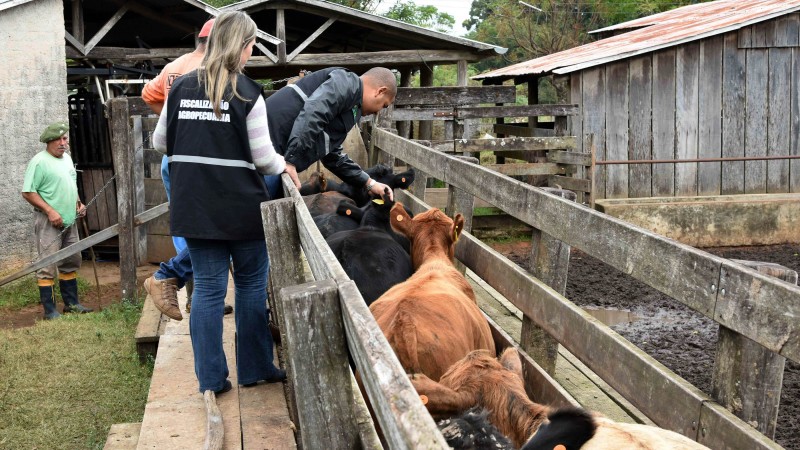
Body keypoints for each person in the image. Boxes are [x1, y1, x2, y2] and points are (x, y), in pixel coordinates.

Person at [144, 65, 399, 320]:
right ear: (380, 91)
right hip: (264, 155)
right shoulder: (345, 81)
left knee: (243, 226)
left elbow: (331, 152)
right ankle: (169, 274)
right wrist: (291, 160)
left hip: (271, 157)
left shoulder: (348, 106)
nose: (379, 111)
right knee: (241, 223)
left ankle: (176, 276)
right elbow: (313, 112)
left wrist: (368, 183)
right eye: (384, 104)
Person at [152, 10, 287, 393]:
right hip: (242, 210)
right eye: (252, 47)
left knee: (209, 291)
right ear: (244, 46)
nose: (250, 54)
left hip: (195, 207)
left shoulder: (179, 87)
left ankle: (211, 379)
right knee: (249, 286)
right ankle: (255, 368)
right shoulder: (248, 92)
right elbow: (264, 159)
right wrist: (286, 165)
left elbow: (160, 143)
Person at [141, 19, 221, 319]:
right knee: (209, 225)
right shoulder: (211, 71)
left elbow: (149, 95)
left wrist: (172, 119)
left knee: (184, 224)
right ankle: (194, 295)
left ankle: (190, 295)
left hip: (171, 157)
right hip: (196, 160)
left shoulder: (175, 66)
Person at [22, 122, 94, 320]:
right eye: (59, 140)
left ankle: (71, 304)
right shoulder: (39, 162)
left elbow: (70, 184)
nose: (63, 143)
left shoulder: (67, 159)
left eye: (65, 139)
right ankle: (50, 311)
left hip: (70, 219)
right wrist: (50, 211)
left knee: (71, 260)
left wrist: (79, 203)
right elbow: (28, 192)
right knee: (47, 265)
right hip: (48, 222)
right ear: (49, 141)